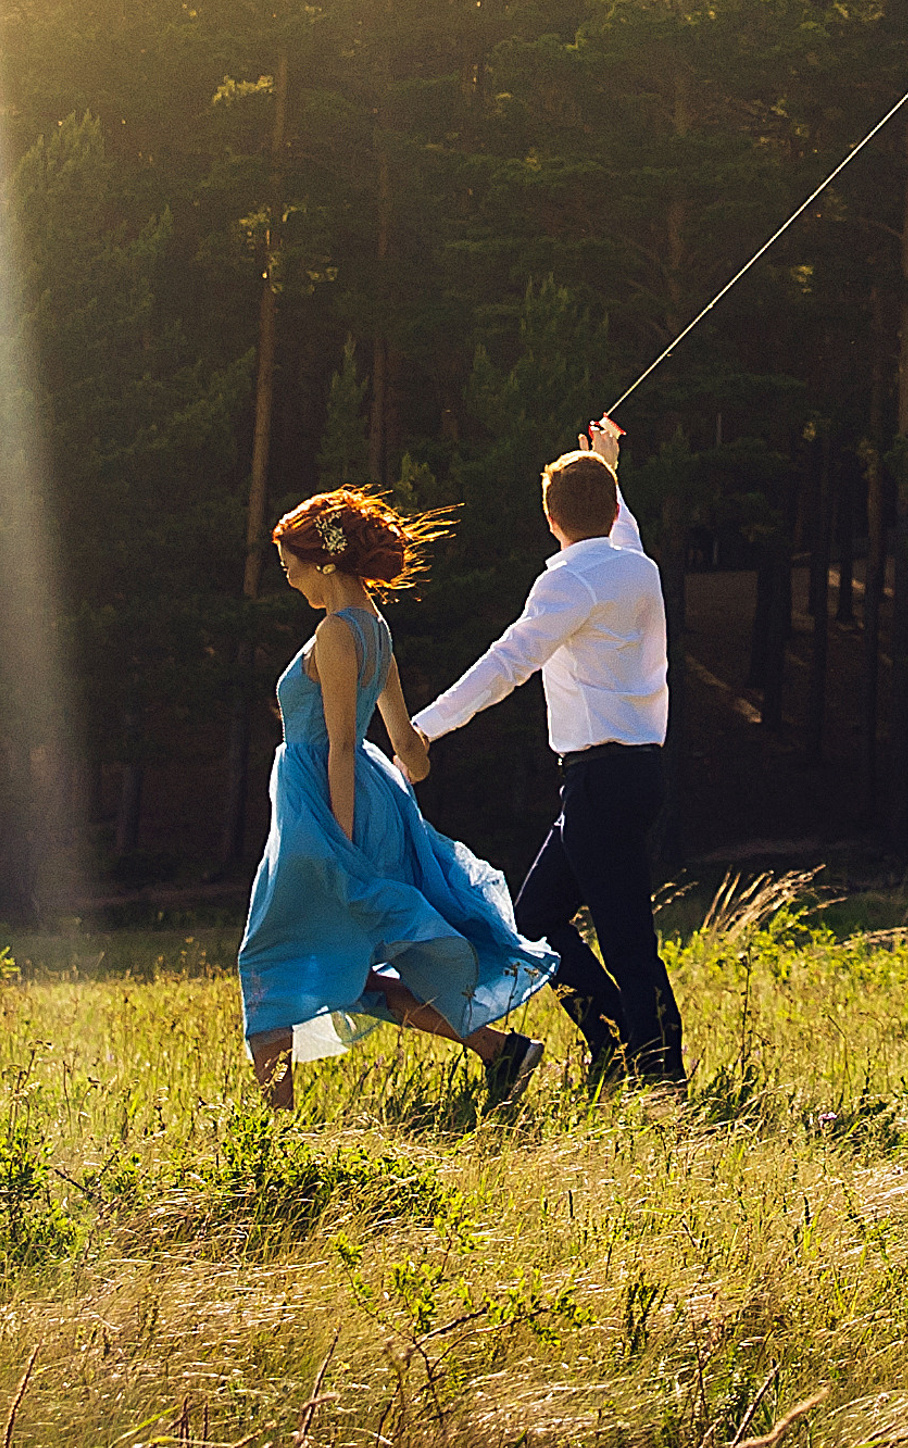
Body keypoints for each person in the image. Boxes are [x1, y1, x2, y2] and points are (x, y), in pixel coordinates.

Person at [237, 486, 556, 1112]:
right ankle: (501, 1052)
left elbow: (339, 746)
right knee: (348, 967)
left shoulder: (336, 632)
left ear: (323, 561)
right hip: (362, 796)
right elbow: (407, 744)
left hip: (326, 808)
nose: (289, 578)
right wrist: (412, 763)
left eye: (290, 565)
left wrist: (342, 846)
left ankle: (274, 1135)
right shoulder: (374, 628)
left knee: (270, 957)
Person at [411, 417, 684, 1084]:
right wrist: (608, 467)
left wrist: (424, 727)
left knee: (624, 935)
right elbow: (622, 531)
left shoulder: (568, 582)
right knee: (534, 920)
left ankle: (656, 1071)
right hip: (634, 773)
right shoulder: (638, 569)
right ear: (612, 508)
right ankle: (621, 1043)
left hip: (600, 778)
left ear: (549, 518)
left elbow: (506, 663)